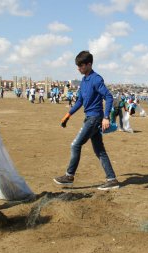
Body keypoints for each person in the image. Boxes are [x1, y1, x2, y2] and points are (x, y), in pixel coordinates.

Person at [54, 51, 119, 190]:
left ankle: (69, 176)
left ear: (89, 64)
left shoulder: (96, 79)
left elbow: (108, 97)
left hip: (95, 118)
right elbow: (80, 101)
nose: (78, 68)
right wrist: (68, 115)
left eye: (81, 66)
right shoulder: (84, 81)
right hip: (90, 118)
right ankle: (112, 179)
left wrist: (106, 117)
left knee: (75, 145)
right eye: (77, 66)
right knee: (99, 150)